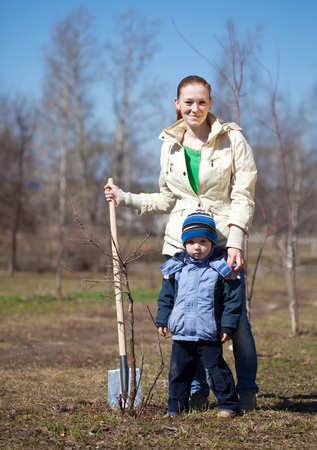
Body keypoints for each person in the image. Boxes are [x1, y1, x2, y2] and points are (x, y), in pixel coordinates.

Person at [104, 75, 258, 411]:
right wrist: (124, 197)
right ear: (177, 104)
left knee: (237, 321)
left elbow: (243, 195)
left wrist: (235, 241)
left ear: (210, 103)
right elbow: (166, 198)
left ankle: (245, 390)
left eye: (202, 102)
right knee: (188, 319)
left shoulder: (232, 140)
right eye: (188, 102)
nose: (195, 108)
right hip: (181, 245)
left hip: (220, 243)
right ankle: (196, 390)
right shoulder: (169, 144)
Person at [156, 211, 242, 418]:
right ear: (184, 244)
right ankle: (175, 407)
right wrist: (162, 319)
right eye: (191, 241)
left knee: (217, 371)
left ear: (212, 242)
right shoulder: (176, 268)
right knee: (178, 373)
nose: (197, 247)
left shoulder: (221, 268)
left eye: (203, 241)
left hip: (209, 331)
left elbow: (232, 299)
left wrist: (228, 326)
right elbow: (166, 297)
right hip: (182, 333)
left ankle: (228, 405)